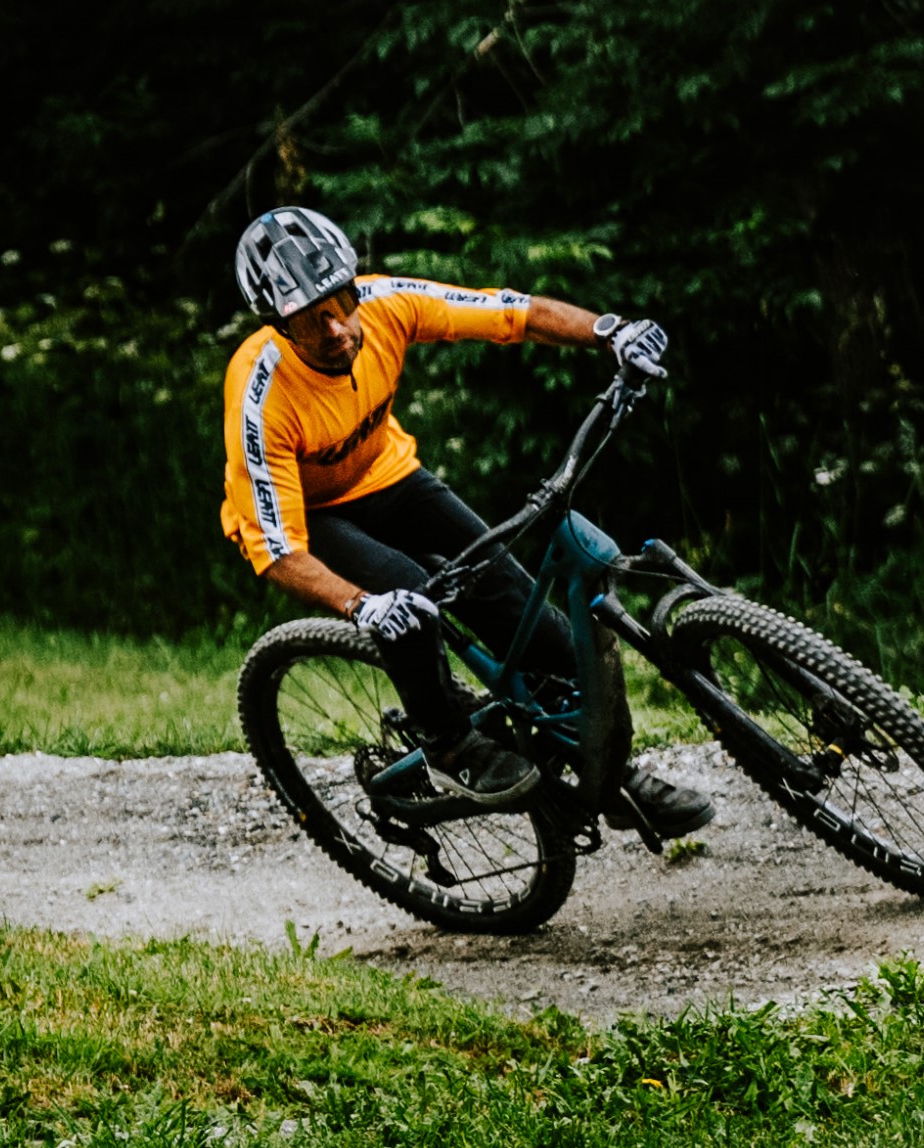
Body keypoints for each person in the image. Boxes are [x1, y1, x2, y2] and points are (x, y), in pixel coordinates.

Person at [218, 204, 713, 852]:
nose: (338, 328)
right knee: (406, 593)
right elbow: (276, 549)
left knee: (522, 609)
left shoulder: (387, 302)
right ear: (278, 327)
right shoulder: (260, 390)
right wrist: (359, 605)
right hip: (310, 517)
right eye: (313, 324)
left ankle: (610, 777)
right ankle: (446, 741)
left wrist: (608, 332)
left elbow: (513, 313)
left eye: (341, 303)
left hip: (389, 477)